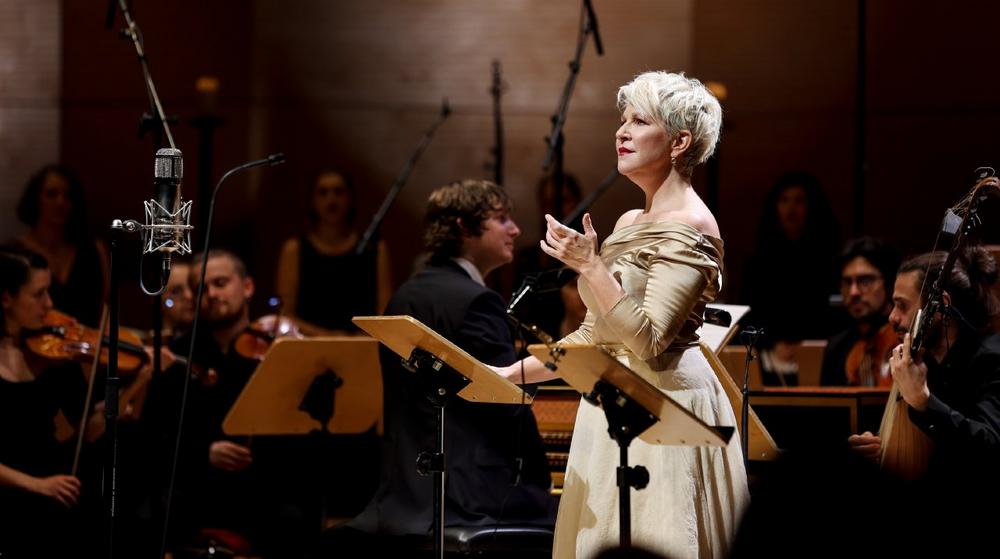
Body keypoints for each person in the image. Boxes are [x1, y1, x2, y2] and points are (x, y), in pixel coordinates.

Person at [496, 71, 749, 558]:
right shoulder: (631, 220)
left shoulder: (693, 223)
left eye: (639, 121)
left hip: (665, 402)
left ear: (679, 142)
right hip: (613, 399)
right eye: (623, 119)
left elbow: (648, 341)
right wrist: (512, 373)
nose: (622, 131)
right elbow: (596, 336)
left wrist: (592, 266)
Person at [344, 179, 556, 551]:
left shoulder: (404, 295)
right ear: (464, 227)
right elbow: (508, 404)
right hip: (470, 497)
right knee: (576, 520)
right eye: (501, 218)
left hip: (402, 494)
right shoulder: (477, 301)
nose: (515, 230)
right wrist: (540, 478)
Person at [846, 247, 1000, 548]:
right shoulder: (923, 361)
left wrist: (924, 402)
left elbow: (990, 447)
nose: (892, 316)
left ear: (941, 306)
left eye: (902, 306)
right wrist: (880, 447)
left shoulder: (992, 358)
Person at [0, 245, 106, 557]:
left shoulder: (52, 355)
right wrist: (37, 484)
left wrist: (137, 383)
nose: (49, 304)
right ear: (5, 298)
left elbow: (88, 429)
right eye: (39, 294)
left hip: (54, 497)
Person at [742, 171, 839, 385]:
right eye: (784, 200)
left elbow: (830, 312)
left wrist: (806, 344)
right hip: (770, 354)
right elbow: (750, 312)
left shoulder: (828, 259)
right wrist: (771, 342)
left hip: (819, 353)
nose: (791, 208)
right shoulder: (759, 261)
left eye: (799, 201)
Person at [275, 170, 391, 336]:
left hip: (362, 344)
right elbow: (286, 314)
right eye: (323, 193)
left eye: (338, 192)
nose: (331, 199)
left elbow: (385, 314)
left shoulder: (375, 249)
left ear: (350, 199)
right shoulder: (294, 249)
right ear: (312, 201)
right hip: (309, 343)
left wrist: (355, 340)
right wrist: (327, 337)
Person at [14, 164, 109, 326]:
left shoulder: (94, 249)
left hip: (90, 340)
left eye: (67, 195)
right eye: (51, 194)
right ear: (36, 199)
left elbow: (107, 308)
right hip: (36, 340)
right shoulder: (18, 253)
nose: (60, 201)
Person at [820, 237, 900, 386]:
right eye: (847, 282)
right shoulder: (836, 348)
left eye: (865, 281)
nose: (854, 292)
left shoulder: (903, 339)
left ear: (888, 283)